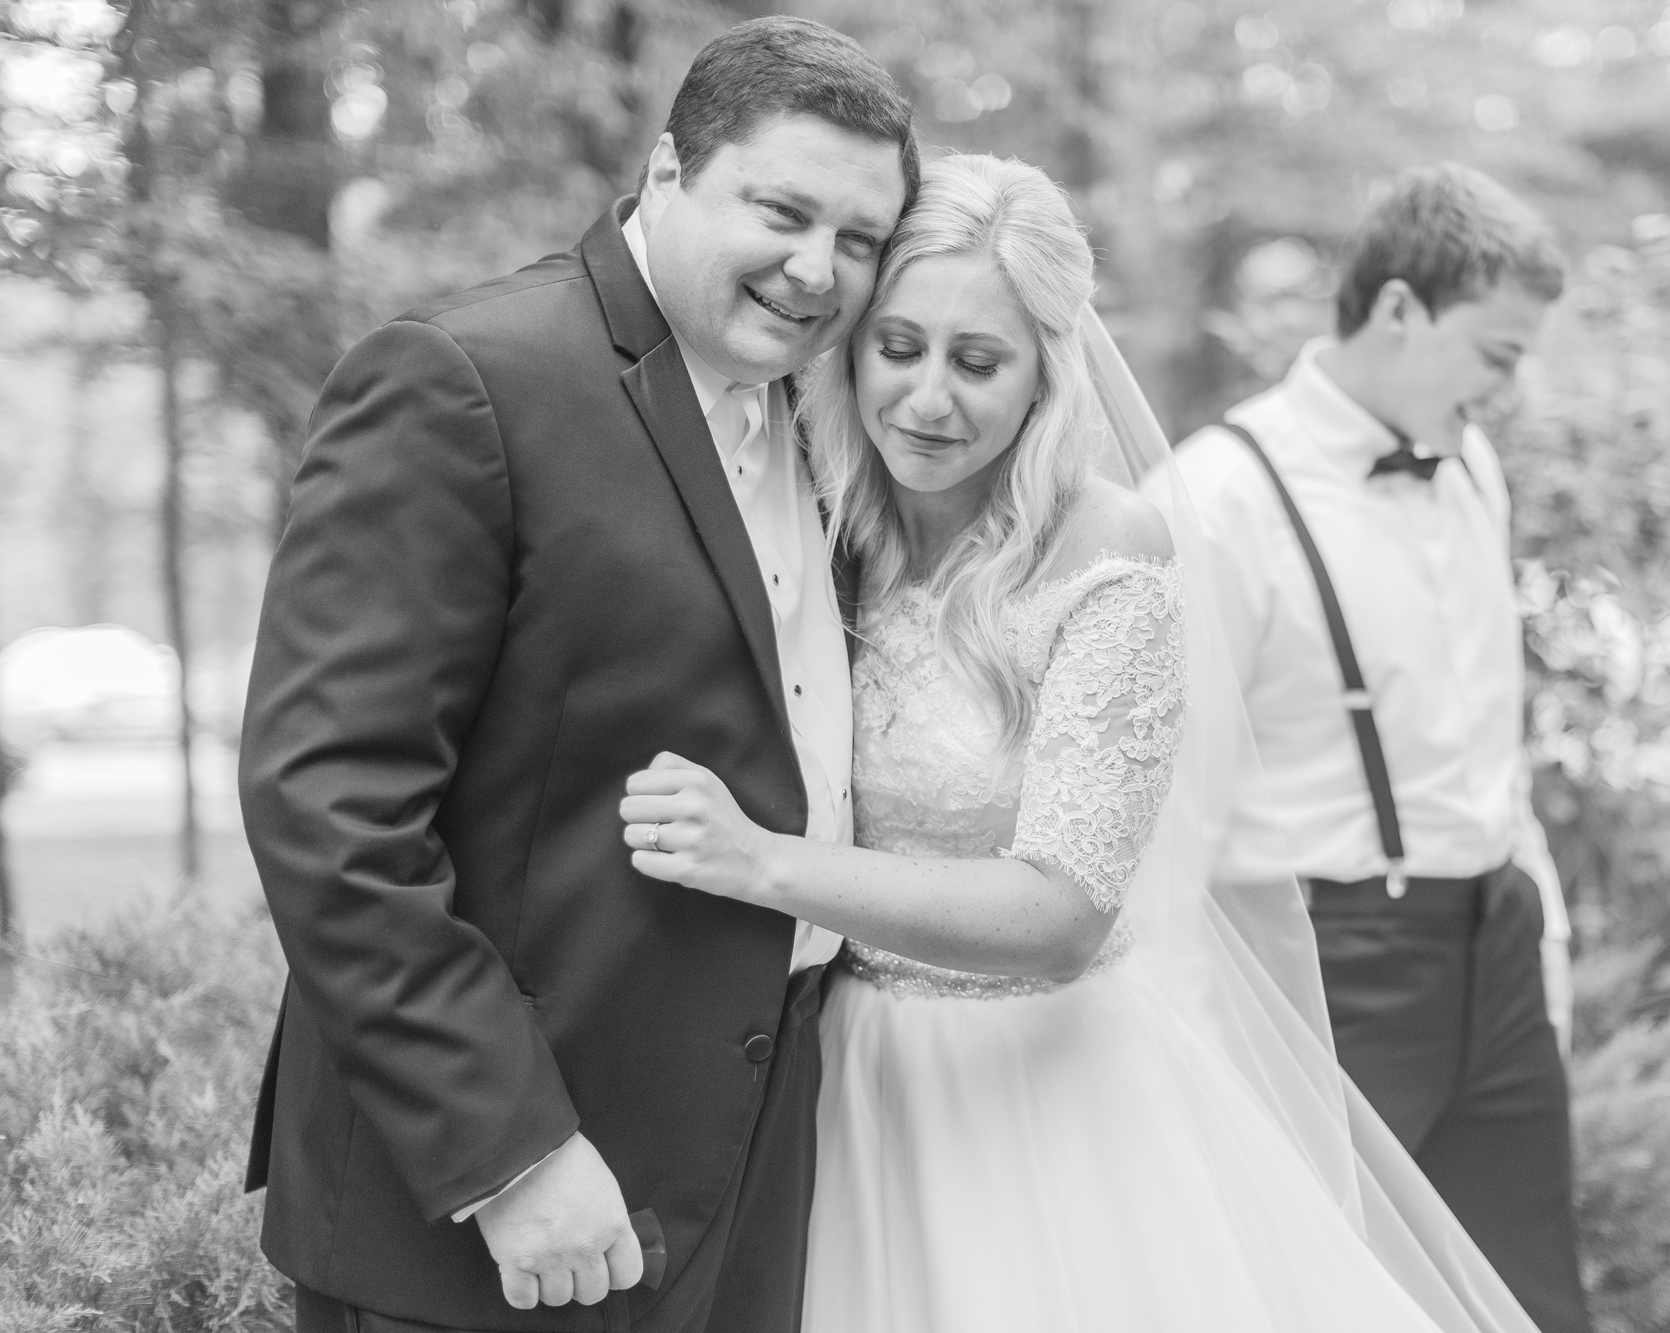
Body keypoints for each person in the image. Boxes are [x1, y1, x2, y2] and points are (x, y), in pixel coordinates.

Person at [617, 152, 1543, 1333]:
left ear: (1045, 377)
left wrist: (760, 862)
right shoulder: (817, 517)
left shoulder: (1105, 549)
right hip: (836, 1076)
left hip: (1042, 1094)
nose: (927, 399)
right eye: (898, 346)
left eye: (978, 362)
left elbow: (1063, 913)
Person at [237, 19, 914, 1333]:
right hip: (505, 1207)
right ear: (666, 171)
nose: (816, 268)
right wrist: (512, 1155)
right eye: (782, 210)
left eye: (859, 238)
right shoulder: (465, 380)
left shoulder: (821, 421)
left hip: (753, 1167)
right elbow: (330, 809)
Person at [1163, 163, 1592, 1333]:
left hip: (1496, 949)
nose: (1508, 388)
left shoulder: (1471, 466)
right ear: (1398, 308)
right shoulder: (1216, 498)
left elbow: (1486, 740)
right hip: (1330, 967)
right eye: (1495, 352)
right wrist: (1196, 1059)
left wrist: (1538, 948)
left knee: (1521, 1302)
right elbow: (1168, 822)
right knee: (1308, 1299)